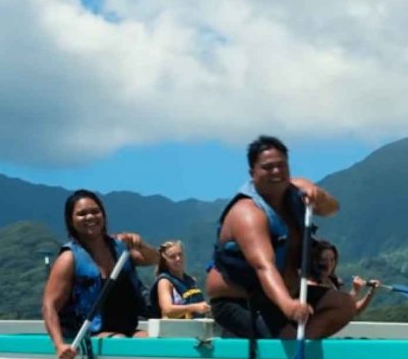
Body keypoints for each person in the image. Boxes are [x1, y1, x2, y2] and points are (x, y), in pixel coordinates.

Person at [205, 135, 356, 340]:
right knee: (287, 336)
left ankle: (299, 349)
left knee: (344, 305)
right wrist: (288, 306)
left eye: (282, 166)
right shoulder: (248, 213)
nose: (276, 172)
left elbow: (332, 209)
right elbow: (263, 265)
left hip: (286, 294)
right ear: (253, 173)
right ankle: (291, 343)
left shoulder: (299, 189)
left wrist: (319, 197)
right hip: (240, 301)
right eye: (268, 167)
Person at [42, 190, 159, 359]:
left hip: (128, 329)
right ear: (71, 220)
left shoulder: (120, 248)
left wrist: (140, 245)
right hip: (91, 334)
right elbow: (49, 305)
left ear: (103, 215)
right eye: (82, 214)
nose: (90, 217)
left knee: (154, 341)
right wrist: (59, 345)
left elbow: (155, 258)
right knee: (120, 341)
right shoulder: (69, 258)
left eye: (95, 211)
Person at [309, 240, 379, 318]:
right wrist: (355, 290)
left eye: (332, 260)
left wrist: (371, 292)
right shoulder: (311, 286)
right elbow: (343, 310)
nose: (328, 264)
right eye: (324, 260)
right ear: (315, 261)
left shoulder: (333, 281)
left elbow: (353, 310)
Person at [150, 240, 210, 319]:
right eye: (172, 257)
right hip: (174, 329)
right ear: (165, 261)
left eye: (180, 255)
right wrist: (194, 307)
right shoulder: (165, 282)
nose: (178, 259)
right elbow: (167, 311)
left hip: (195, 328)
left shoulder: (191, 281)